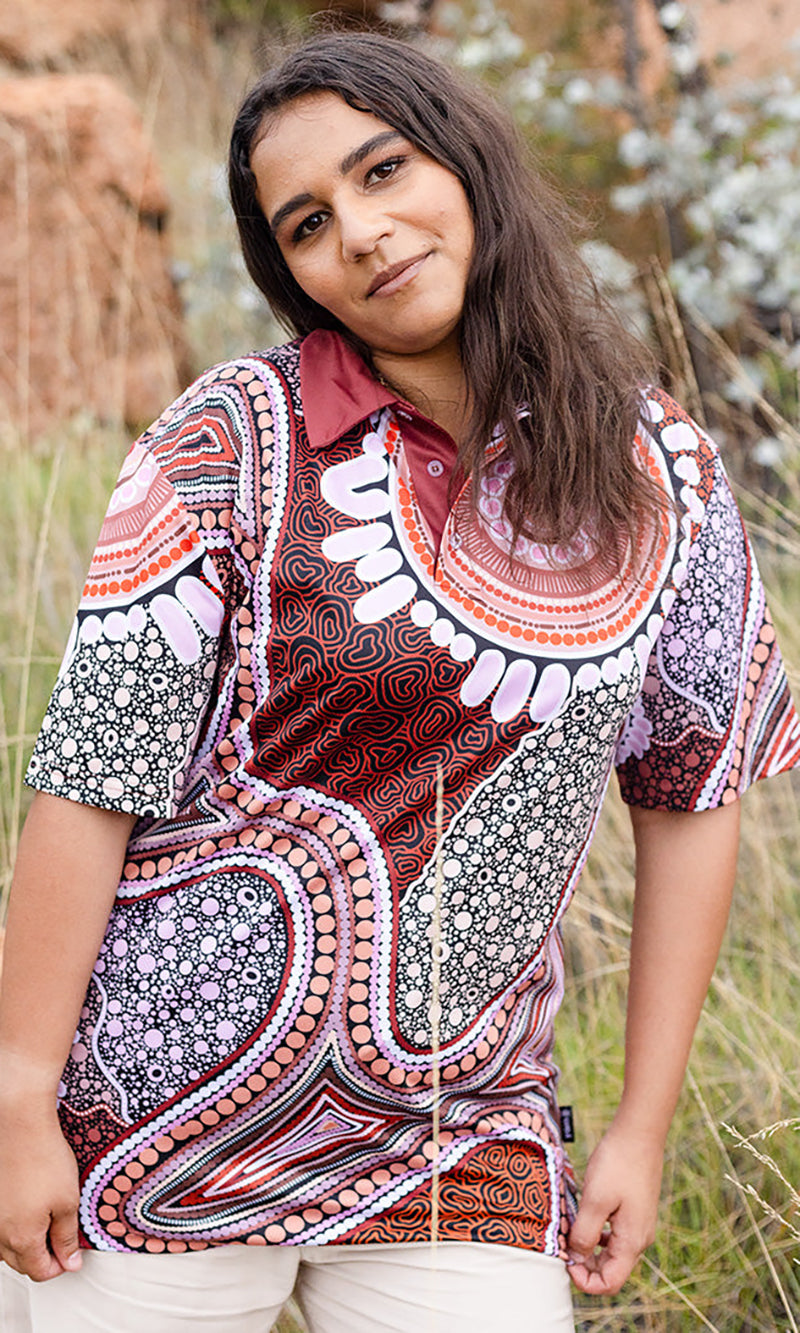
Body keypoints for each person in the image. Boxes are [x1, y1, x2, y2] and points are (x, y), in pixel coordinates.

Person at [1, 28, 798, 1333]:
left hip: (462, 1138)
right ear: (290, 270)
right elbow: (90, 783)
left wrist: (643, 1129)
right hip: (153, 1129)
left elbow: (691, 793)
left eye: (385, 172)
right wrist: (19, 1098)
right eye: (309, 222)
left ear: (466, 162)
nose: (362, 232)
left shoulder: (667, 468)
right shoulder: (228, 444)